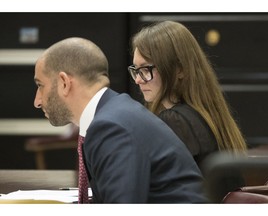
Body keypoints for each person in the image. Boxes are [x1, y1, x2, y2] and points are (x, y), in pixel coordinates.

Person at [33, 37, 208, 203]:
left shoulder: (110, 126)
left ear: (64, 82)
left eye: (40, 86)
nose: (37, 101)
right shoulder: (114, 113)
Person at [128, 20, 247, 168]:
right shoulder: (209, 115)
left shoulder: (175, 120)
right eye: (136, 70)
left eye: (146, 69)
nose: (138, 80)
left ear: (180, 69)